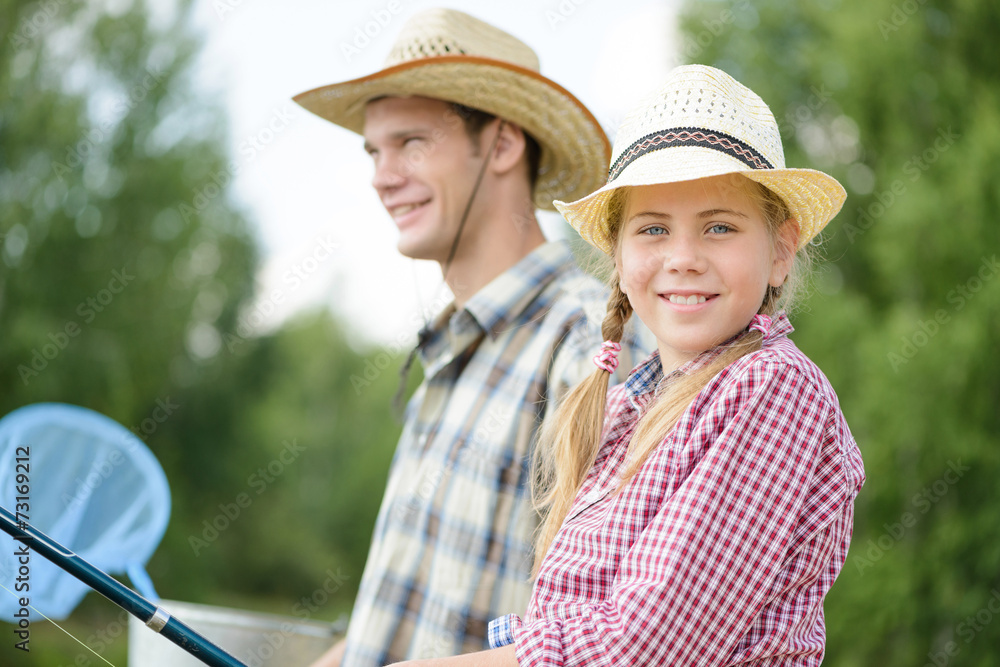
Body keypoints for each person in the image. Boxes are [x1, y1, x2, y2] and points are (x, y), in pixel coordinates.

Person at [389, 64, 867, 666]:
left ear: (781, 251)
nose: (683, 258)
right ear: (618, 256)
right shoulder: (627, 408)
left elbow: (644, 646)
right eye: (653, 229)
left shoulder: (774, 389)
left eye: (720, 227)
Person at [294, 9, 647, 666]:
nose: (382, 174)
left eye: (413, 143)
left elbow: (613, 634)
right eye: (375, 150)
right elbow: (429, 606)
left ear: (504, 144)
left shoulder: (590, 339)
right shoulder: (452, 350)